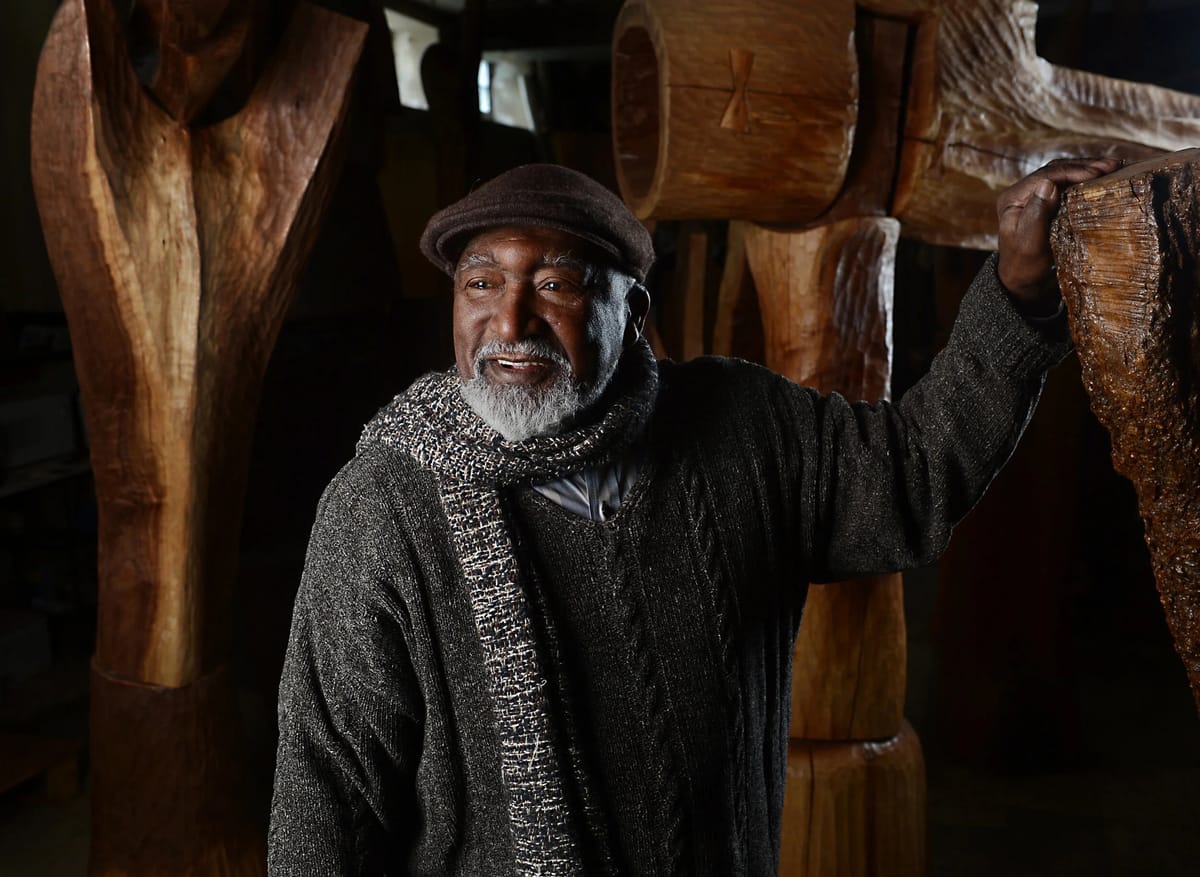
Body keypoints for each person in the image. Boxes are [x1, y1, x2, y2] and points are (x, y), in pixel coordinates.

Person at [268, 158, 1119, 875]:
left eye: (555, 283)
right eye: (481, 282)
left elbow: (916, 472)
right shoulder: (383, 508)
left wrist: (1017, 294)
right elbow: (328, 796)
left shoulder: (743, 428)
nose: (511, 320)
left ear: (634, 313)